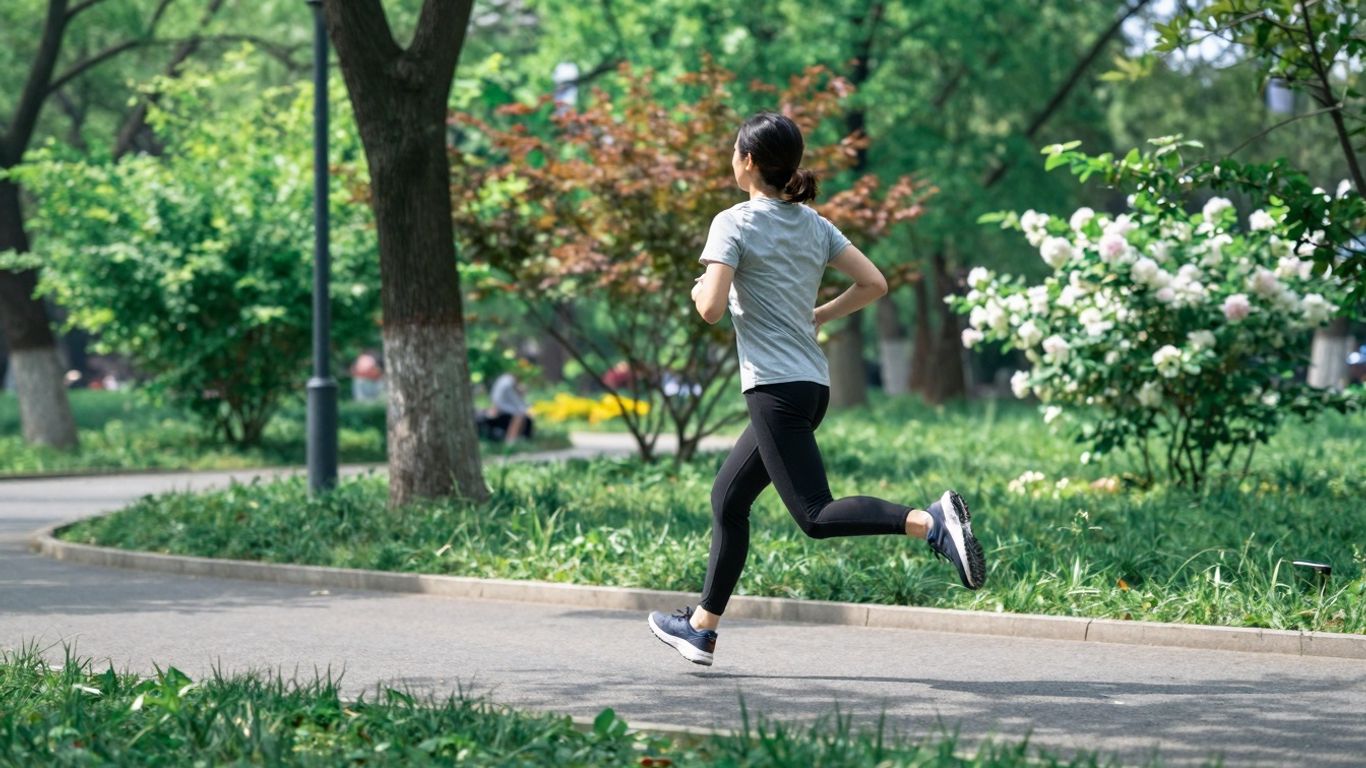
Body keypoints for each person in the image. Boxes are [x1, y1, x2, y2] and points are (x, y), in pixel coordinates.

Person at [647, 112, 987, 667]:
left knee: (814, 514)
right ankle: (702, 629)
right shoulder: (814, 224)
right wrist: (821, 313)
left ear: (748, 161)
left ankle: (929, 522)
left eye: (734, 151)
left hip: (774, 390)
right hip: (811, 386)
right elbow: (873, 283)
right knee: (728, 500)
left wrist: (699, 289)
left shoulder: (732, 223)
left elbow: (709, 309)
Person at [481, 368, 534, 443]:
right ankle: (511, 439)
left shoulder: (504, 379)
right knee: (519, 414)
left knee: (521, 412)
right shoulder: (508, 383)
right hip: (501, 406)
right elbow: (515, 400)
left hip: (499, 405)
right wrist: (525, 408)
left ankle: (518, 437)